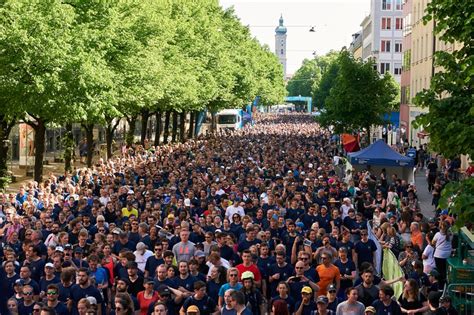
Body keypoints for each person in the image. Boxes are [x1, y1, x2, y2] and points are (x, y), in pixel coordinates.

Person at [432, 221, 452, 287]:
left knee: (439, 271)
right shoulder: (451, 234)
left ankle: (441, 285)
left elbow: (433, 243)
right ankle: (446, 283)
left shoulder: (437, 234)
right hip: (447, 255)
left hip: (438, 255)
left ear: (440, 227)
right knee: (445, 270)